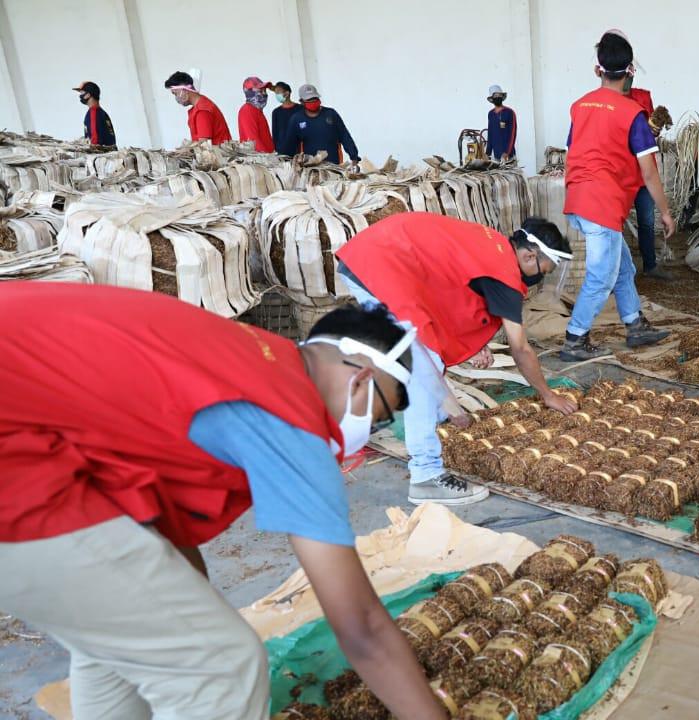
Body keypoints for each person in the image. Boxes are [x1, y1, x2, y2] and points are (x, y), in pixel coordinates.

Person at [0, 283, 449, 720]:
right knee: (222, 667)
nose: (367, 430)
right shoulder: (287, 416)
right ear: (361, 381)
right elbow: (362, 627)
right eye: (379, 415)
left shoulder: (249, 359)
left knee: (130, 638)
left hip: (25, 414)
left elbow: (165, 543)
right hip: (16, 458)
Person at [335, 213, 578, 505]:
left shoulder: (494, 249)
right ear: (529, 256)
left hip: (376, 257)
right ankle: (426, 476)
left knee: (411, 354)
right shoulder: (504, 275)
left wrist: (473, 342)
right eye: (546, 268)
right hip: (382, 265)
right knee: (425, 363)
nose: (544, 275)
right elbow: (520, 349)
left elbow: (450, 290)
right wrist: (547, 394)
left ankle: (365, 418)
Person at [559, 29, 674, 360]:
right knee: (600, 277)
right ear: (630, 70)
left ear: (598, 69)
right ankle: (575, 339)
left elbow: (571, 152)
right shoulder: (632, 113)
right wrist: (665, 212)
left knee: (623, 269)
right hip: (603, 205)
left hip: (579, 199)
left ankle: (635, 324)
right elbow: (649, 171)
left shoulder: (579, 106)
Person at [619, 75, 670, 280]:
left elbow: (650, 136)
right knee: (616, 222)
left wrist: (653, 131)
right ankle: (618, 270)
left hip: (643, 170)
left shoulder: (642, 96)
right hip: (622, 171)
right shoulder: (610, 101)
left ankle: (650, 265)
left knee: (647, 220)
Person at [278, 84, 360, 166]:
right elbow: (289, 144)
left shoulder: (331, 114)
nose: (312, 102)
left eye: (314, 99)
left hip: (334, 165)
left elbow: (344, 136)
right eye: (309, 100)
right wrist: (283, 162)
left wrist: (354, 157)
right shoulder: (297, 119)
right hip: (310, 168)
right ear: (302, 102)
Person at [164, 70, 231, 145]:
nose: (176, 98)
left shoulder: (202, 111)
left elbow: (204, 146)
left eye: (175, 93)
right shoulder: (201, 105)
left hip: (218, 155)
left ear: (184, 90)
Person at [72, 81, 116, 148]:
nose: (80, 96)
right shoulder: (102, 113)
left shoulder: (93, 113)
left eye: (82, 93)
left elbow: (95, 143)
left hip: (102, 155)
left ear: (88, 94)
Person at [237, 76, 274, 153]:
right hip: (260, 160)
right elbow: (253, 142)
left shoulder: (257, 110)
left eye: (265, 90)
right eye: (260, 90)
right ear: (250, 92)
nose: (264, 94)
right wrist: (270, 159)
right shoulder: (247, 110)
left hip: (267, 158)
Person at [485, 85, 518, 161]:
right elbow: (490, 134)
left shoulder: (509, 112)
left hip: (508, 157)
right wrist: (487, 153)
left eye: (499, 95)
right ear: (492, 99)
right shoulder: (491, 114)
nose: (497, 97)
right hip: (496, 157)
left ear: (502, 97)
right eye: (495, 95)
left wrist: (507, 152)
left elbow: (513, 134)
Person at [269, 81, 302, 154]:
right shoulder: (276, 112)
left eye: (278, 92)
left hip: (299, 150)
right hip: (282, 151)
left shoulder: (300, 109)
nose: (277, 95)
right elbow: (275, 133)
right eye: (276, 93)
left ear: (287, 93)